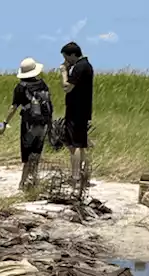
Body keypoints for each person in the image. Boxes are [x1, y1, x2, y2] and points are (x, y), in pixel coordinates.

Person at [0, 57, 53, 191]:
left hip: (29, 123)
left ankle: (23, 183)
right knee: (37, 153)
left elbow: (13, 107)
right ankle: (34, 181)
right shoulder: (42, 84)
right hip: (43, 122)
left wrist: (5, 123)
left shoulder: (21, 87)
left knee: (27, 154)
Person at [59, 42, 94, 192]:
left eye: (66, 57)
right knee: (80, 143)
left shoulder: (79, 67)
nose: (66, 60)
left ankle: (75, 177)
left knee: (75, 145)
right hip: (81, 109)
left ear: (73, 55)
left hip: (77, 110)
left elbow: (67, 87)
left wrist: (63, 72)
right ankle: (83, 174)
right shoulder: (86, 65)